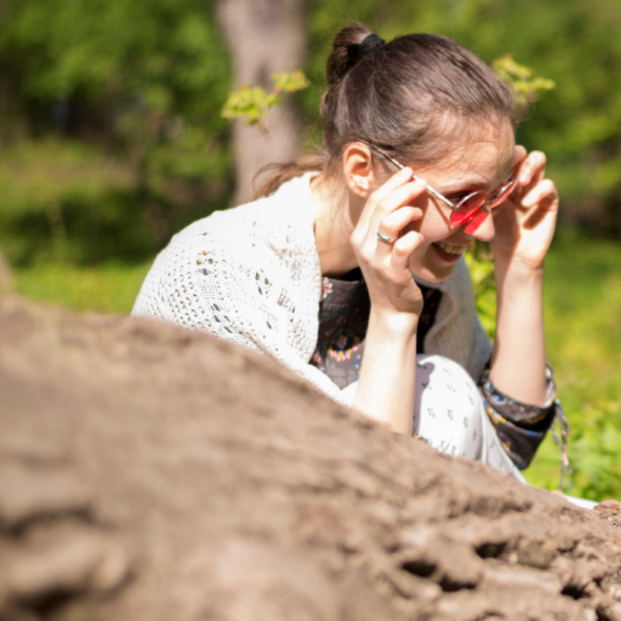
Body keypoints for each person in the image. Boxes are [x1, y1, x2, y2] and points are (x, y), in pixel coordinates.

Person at [133, 27, 562, 482]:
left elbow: (505, 448)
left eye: (494, 196)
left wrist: (518, 268)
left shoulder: (422, 264)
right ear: (362, 170)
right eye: (464, 199)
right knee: (446, 393)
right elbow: (350, 494)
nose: (485, 228)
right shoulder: (216, 277)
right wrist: (394, 319)